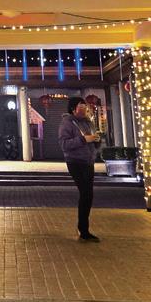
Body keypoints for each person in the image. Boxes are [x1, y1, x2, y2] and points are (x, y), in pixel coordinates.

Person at [58, 97, 102, 241]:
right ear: (73, 109)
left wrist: (97, 141)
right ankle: (83, 230)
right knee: (86, 193)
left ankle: (83, 229)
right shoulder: (67, 123)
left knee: (88, 195)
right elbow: (64, 144)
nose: (84, 109)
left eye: (85, 106)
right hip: (75, 161)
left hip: (88, 161)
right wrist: (84, 139)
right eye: (80, 106)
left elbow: (93, 141)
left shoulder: (88, 122)